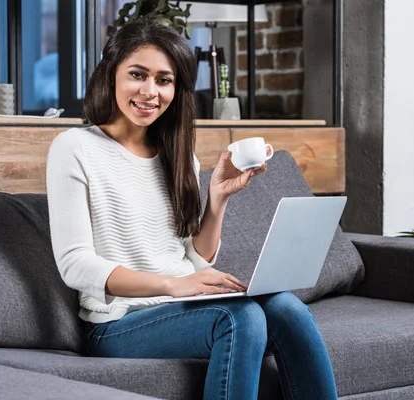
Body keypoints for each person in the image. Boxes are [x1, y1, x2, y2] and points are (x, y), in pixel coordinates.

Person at [46, 18, 337, 400]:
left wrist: (218, 195)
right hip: (118, 323)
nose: (150, 91)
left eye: (164, 80)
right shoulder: (74, 148)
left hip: (184, 305)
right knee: (240, 317)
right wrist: (174, 285)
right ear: (111, 74)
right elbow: (75, 264)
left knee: (287, 309)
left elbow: (194, 259)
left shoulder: (178, 155)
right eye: (137, 74)